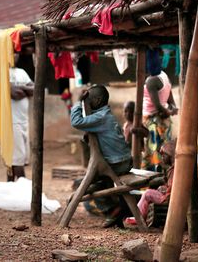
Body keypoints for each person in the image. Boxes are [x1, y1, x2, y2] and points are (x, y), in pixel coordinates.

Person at [70, 85, 132, 228]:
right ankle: (115, 209)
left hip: (118, 163)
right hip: (121, 161)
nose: (87, 101)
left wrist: (78, 102)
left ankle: (113, 209)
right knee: (97, 184)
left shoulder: (101, 117)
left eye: (89, 99)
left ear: (97, 100)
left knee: (83, 184)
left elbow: (76, 122)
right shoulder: (102, 116)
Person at [124, 140, 176, 225]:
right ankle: (141, 215)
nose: (162, 158)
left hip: (168, 198)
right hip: (168, 195)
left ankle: (139, 217)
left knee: (147, 193)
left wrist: (165, 190)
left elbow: (173, 187)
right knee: (149, 192)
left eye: (164, 155)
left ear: (171, 155)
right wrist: (163, 187)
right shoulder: (172, 169)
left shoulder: (175, 170)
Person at [142, 47, 177, 170]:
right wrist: (172, 108)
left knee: (153, 151)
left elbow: (157, 105)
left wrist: (168, 111)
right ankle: (164, 174)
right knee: (165, 150)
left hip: (154, 121)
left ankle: (154, 178)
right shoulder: (164, 75)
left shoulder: (151, 80)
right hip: (164, 120)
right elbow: (169, 94)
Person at [8, 53, 34, 181]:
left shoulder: (21, 72)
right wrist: (26, 89)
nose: (15, 55)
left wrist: (20, 88)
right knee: (17, 158)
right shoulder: (2, 72)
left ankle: (10, 185)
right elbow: (15, 94)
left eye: (17, 52)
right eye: (12, 52)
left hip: (23, 120)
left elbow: (34, 89)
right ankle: (24, 185)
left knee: (18, 157)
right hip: (12, 121)